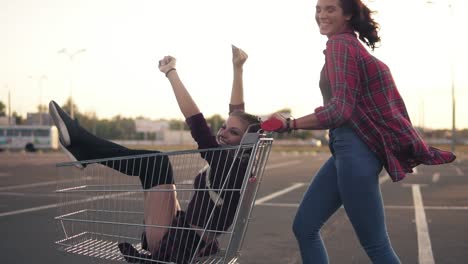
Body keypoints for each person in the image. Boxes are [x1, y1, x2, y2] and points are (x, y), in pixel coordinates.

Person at [262, 0, 456, 263]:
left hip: (355, 152)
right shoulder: (348, 45)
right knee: (305, 226)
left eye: (330, 9)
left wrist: (289, 123)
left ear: (348, 14)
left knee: (376, 245)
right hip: (347, 151)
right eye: (319, 9)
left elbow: (340, 110)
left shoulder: (340, 45)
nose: (321, 14)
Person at [49, 45, 261, 264]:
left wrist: (171, 73)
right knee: (157, 164)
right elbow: (238, 113)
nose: (223, 133)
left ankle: (81, 143)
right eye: (224, 126)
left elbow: (197, 123)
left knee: (156, 162)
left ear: (246, 140)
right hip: (185, 232)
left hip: (177, 243)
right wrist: (238, 69)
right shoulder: (242, 161)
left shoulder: (229, 165)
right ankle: (83, 148)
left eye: (232, 132)